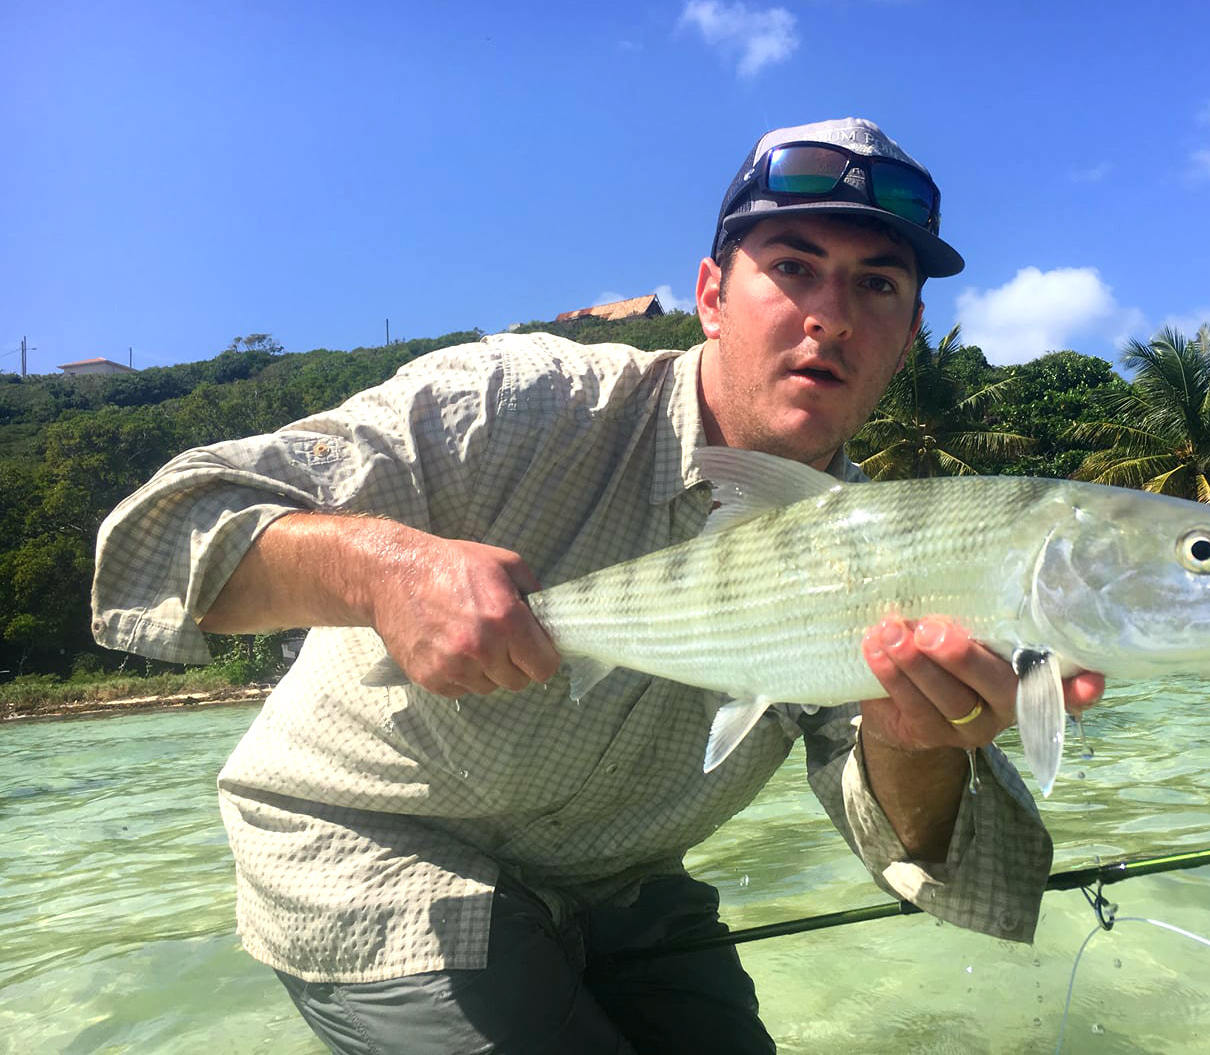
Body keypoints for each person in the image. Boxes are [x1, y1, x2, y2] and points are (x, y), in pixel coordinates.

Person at [92, 117, 1102, 1054]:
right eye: (792, 269)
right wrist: (381, 569)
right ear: (709, 296)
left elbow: (930, 850)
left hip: (621, 883)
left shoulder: (896, 550)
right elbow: (162, 533)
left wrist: (911, 740)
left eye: (877, 285)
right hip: (366, 847)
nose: (829, 317)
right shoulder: (512, 403)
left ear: (912, 329)